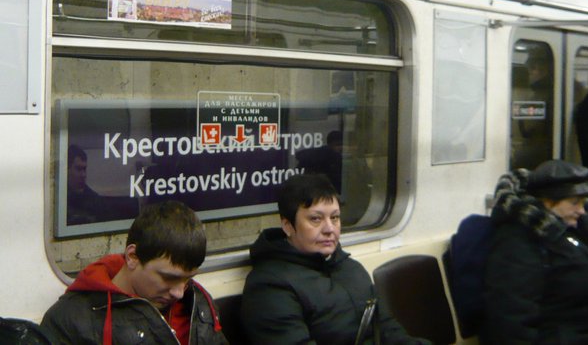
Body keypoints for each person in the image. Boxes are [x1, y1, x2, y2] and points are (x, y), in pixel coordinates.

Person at [241, 173, 430, 345]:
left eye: (335, 218)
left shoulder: (350, 268)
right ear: (288, 226)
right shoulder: (270, 285)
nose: (329, 229)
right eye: (316, 219)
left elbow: (386, 327)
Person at [42, 201, 228, 345]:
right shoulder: (73, 320)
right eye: (168, 278)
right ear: (132, 257)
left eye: (187, 279)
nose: (179, 292)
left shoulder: (198, 302)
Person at [483, 160, 588, 345]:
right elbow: (511, 319)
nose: (581, 211)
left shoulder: (570, 230)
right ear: (548, 202)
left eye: (583, 203)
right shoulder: (518, 243)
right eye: (574, 203)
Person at [66, 144, 138, 225]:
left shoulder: (94, 200)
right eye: (78, 169)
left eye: (84, 169)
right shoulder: (60, 197)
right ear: (66, 170)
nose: (83, 175)